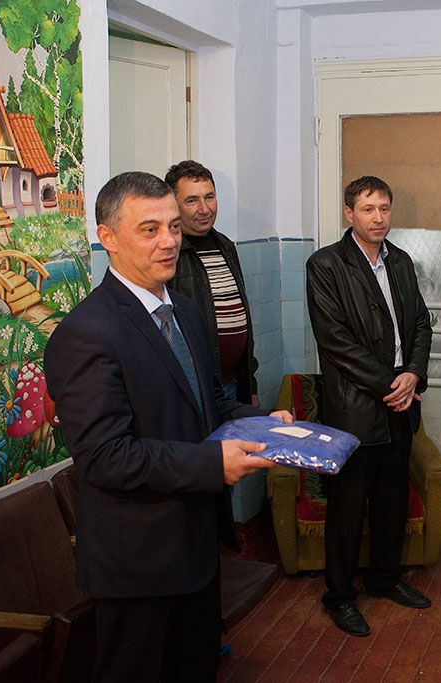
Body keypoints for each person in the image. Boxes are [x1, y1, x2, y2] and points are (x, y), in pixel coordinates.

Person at [43, 171, 292, 680]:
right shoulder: (86, 333)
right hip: (137, 561)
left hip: (196, 546)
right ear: (108, 238)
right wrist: (212, 463)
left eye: (174, 227)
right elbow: (106, 458)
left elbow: (208, 406)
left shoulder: (187, 313)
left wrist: (261, 423)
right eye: (149, 229)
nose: (169, 241)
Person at [305, 175, 433, 638]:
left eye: (384, 208)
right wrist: (389, 384)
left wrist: (412, 374)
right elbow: (334, 341)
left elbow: (421, 323)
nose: (378, 218)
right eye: (367, 209)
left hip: (402, 398)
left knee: (391, 498)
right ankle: (339, 597)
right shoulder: (325, 264)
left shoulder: (400, 260)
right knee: (348, 504)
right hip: (355, 404)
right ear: (349, 213)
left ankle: (384, 578)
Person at [165, 160, 260, 406]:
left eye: (210, 197)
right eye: (192, 200)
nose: (205, 209)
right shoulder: (169, 253)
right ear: (173, 204)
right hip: (194, 389)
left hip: (233, 385)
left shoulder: (225, 246)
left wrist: (250, 385)